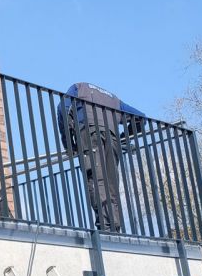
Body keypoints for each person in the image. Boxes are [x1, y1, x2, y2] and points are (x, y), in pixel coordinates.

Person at [58, 82, 143, 232]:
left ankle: (105, 227)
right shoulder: (113, 99)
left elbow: (62, 108)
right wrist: (124, 137)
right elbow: (140, 118)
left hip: (89, 133)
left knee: (96, 180)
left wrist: (69, 143)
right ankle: (114, 227)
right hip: (112, 138)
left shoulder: (79, 87)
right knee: (111, 184)